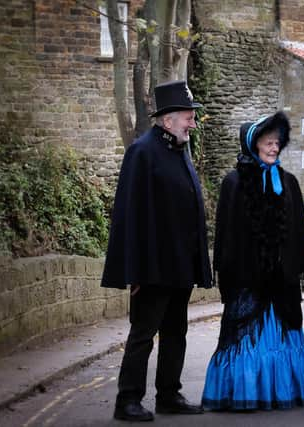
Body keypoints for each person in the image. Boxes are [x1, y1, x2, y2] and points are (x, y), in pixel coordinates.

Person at [101, 80, 212, 422]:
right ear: (167, 121)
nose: (193, 124)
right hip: (151, 267)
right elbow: (129, 215)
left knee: (176, 330)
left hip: (179, 266)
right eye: (188, 117)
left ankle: (168, 394)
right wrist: (132, 270)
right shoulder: (143, 151)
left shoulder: (179, 149)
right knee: (143, 334)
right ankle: (128, 400)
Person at [201, 112, 304, 411]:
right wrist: (226, 274)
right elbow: (225, 233)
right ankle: (245, 392)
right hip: (247, 280)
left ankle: (279, 391)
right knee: (243, 335)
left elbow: (300, 229)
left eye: (277, 142)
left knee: (283, 334)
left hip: (282, 281)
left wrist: (301, 268)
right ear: (254, 143)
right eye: (268, 141)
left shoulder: (288, 182)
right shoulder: (233, 182)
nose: (274, 147)